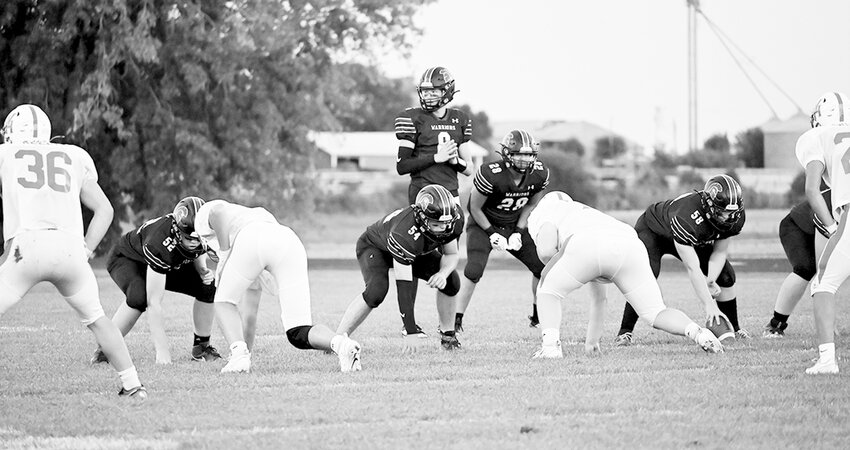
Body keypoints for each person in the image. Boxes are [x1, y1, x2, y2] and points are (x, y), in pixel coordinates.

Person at [0, 104, 146, 400]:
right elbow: (105, 210)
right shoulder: (74, 156)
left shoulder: (5, 154)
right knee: (98, 319)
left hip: (26, 248)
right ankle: (133, 385)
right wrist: (87, 249)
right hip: (70, 249)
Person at [527, 191, 724, 358]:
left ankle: (550, 348)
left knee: (547, 290)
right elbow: (599, 298)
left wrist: (557, 270)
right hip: (629, 242)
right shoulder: (584, 212)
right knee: (655, 312)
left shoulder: (545, 212)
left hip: (586, 243)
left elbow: (545, 252)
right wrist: (592, 340)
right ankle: (699, 333)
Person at [192, 199, 362, 374]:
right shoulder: (254, 218)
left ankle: (238, 356)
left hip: (252, 239)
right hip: (290, 241)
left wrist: (225, 253)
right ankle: (342, 344)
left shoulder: (203, 218)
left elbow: (217, 211)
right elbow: (249, 317)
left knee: (223, 300)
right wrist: (245, 354)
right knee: (298, 332)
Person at [613, 174, 749, 346]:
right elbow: (692, 268)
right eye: (723, 213)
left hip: (686, 234)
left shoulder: (734, 218)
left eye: (732, 213)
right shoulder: (687, 217)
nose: (728, 218)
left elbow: (719, 253)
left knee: (726, 276)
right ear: (709, 206)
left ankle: (735, 328)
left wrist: (711, 279)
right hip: (654, 231)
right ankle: (625, 332)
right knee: (646, 278)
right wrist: (709, 305)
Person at [90, 196, 221, 365]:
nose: (194, 244)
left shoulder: (202, 231)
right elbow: (155, 303)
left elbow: (198, 250)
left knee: (208, 286)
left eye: (198, 239)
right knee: (140, 297)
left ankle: (201, 348)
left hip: (169, 260)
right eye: (189, 239)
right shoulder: (160, 241)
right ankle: (106, 348)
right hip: (129, 260)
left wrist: (202, 268)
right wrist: (163, 353)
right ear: (176, 229)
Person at [393, 66, 474, 338]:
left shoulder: (460, 119)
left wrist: (453, 160)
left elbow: (469, 168)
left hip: (450, 199)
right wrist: (435, 158)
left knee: (449, 260)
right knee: (413, 258)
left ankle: (447, 331)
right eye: (425, 91)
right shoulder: (411, 118)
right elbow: (403, 166)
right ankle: (410, 325)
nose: (428, 96)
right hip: (422, 198)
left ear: (447, 90)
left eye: (434, 90)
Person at [336, 184, 465, 351]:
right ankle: (336, 340)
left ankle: (448, 337)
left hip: (415, 249)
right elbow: (404, 289)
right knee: (376, 292)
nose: (443, 229)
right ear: (422, 218)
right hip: (376, 248)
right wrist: (411, 332)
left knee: (451, 281)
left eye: (446, 224)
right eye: (436, 225)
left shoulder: (452, 220)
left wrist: (442, 273)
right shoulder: (404, 234)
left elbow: (451, 254)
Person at [453, 129, 549, 332]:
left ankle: (538, 315)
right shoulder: (490, 173)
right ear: (507, 154)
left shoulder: (540, 174)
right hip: (484, 225)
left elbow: (531, 206)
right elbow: (474, 208)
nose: (524, 159)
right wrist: (491, 233)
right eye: (519, 154)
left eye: (529, 154)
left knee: (542, 268)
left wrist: (518, 231)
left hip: (515, 225)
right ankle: (455, 320)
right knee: (473, 271)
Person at [795, 91, 850, 374]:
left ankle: (827, 360)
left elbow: (811, 190)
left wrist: (831, 227)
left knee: (822, 285)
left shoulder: (815, 137)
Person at [763, 190, 830, 337]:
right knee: (806, 269)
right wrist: (829, 322)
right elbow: (823, 265)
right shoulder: (831, 204)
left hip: (821, 231)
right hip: (796, 227)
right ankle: (775, 326)